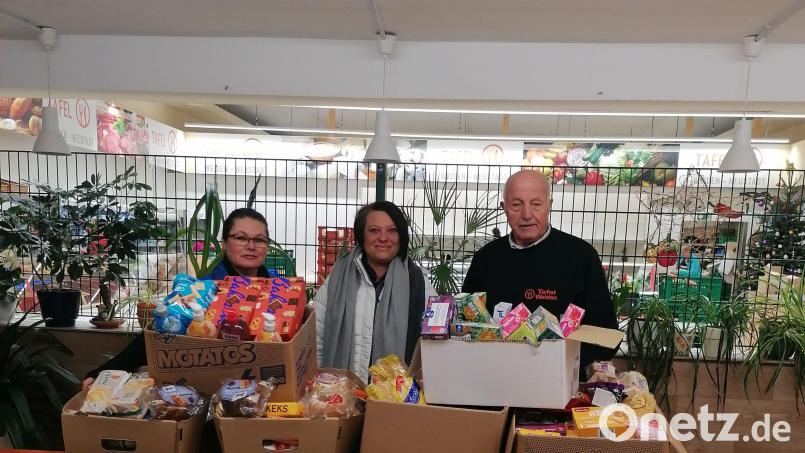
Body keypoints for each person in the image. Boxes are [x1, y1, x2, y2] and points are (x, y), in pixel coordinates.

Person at [81, 208, 276, 390]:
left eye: (259, 240)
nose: (251, 246)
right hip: (212, 389)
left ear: (267, 246)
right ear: (224, 243)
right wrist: (108, 371)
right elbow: (159, 334)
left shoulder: (280, 293)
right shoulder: (203, 289)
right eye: (241, 238)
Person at [461, 170, 618, 372]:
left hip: (561, 383)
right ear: (504, 208)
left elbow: (605, 333)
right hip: (496, 379)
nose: (527, 214)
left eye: (536, 204)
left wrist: (563, 362)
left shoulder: (581, 256)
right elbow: (465, 324)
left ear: (549, 206)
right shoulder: (486, 258)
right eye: (517, 205)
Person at [316, 201, 436, 377]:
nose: (383, 238)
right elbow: (316, 340)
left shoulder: (419, 284)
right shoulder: (338, 279)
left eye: (392, 230)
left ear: (401, 236)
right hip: (341, 396)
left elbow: (434, 347)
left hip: (395, 399)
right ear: (361, 235)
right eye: (374, 230)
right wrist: (324, 384)